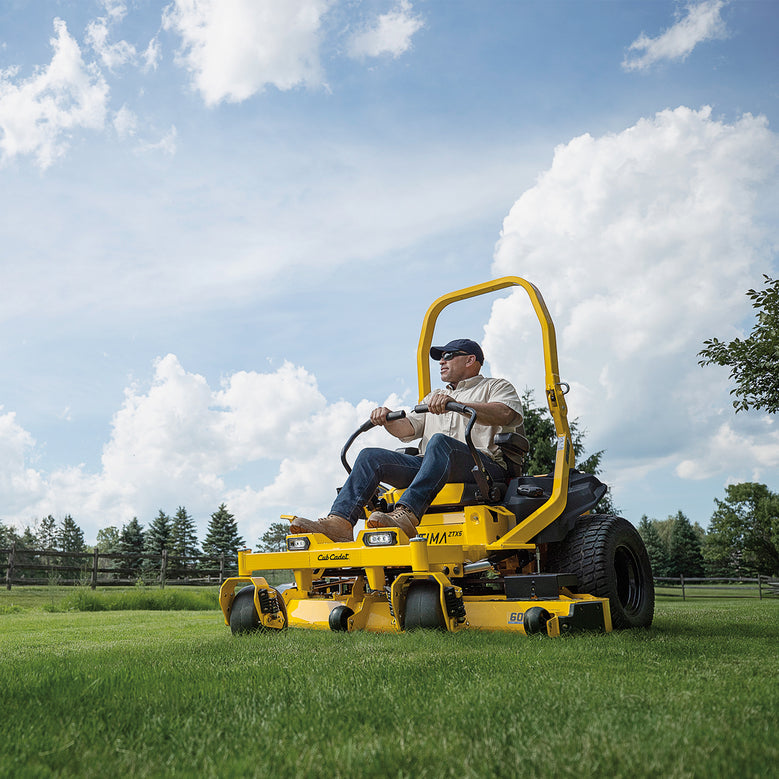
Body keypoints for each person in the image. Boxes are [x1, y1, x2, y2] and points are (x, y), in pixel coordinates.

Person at [289, 338, 524, 542]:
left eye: (448, 357)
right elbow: (407, 428)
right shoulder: (434, 397)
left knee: (440, 443)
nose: (441, 362)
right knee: (370, 457)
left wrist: (458, 406)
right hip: (431, 465)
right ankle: (340, 522)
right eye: (439, 358)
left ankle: (407, 514)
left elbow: (505, 413)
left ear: (470, 360)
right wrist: (387, 418)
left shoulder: (495, 386)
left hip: (481, 466)